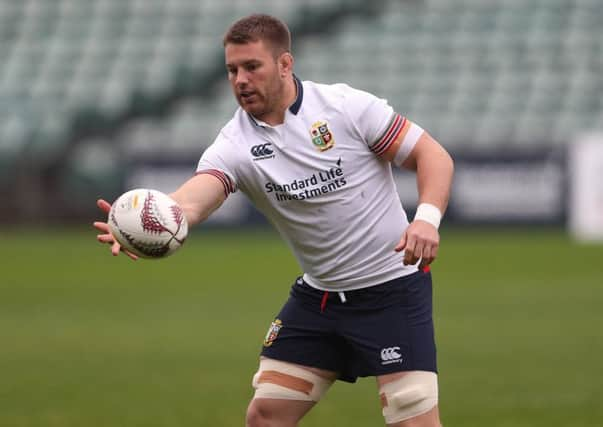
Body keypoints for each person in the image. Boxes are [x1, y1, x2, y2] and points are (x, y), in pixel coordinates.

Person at [94, 14, 454, 427]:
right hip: (319, 301)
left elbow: (433, 156)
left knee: (411, 415)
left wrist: (426, 219)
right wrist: (150, 221)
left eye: (252, 67)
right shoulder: (235, 143)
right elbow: (194, 200)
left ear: (285, 64)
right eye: (232, 70)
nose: (240, 80)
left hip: (391, 291)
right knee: (265, 417)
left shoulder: (345, 108)